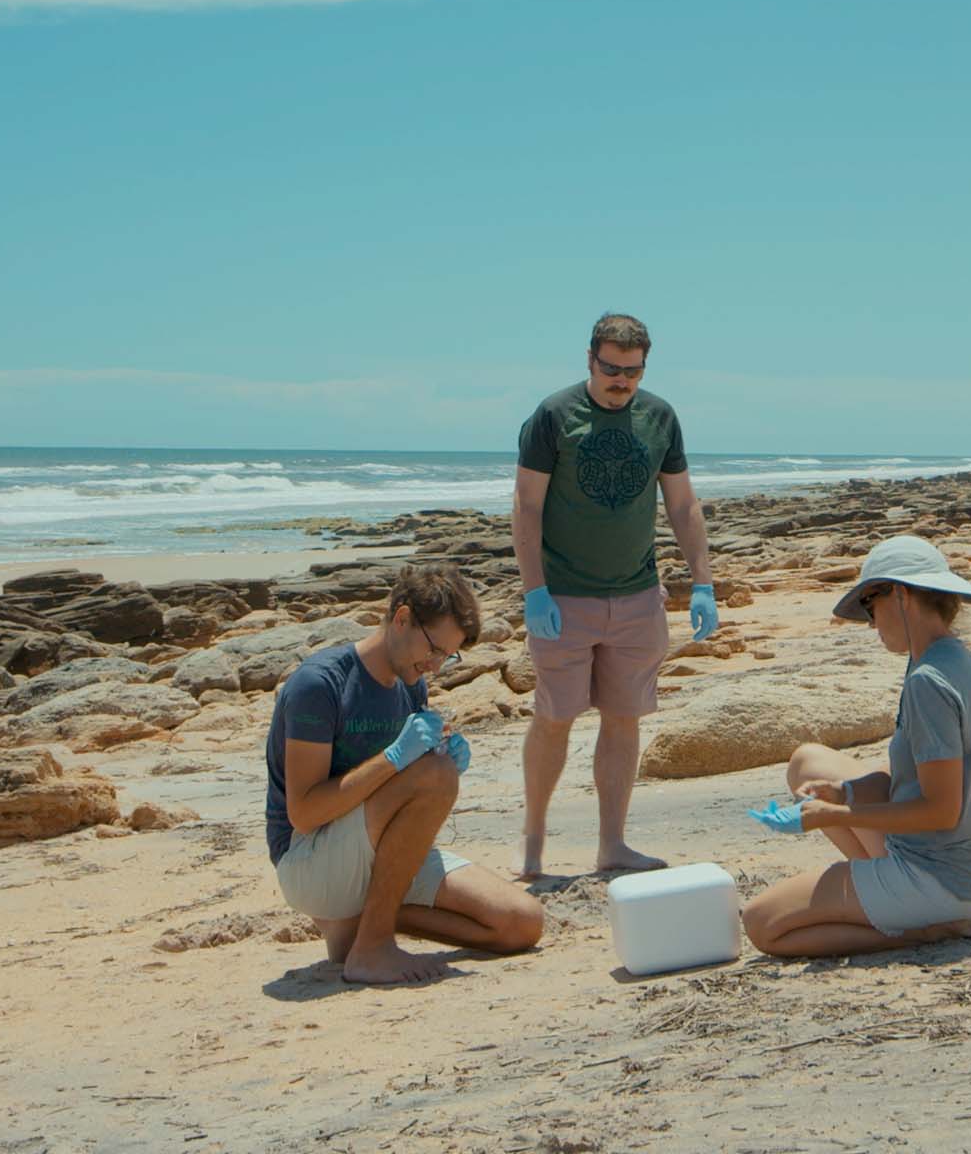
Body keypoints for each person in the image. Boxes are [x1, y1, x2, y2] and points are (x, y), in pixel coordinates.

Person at [263, 563, 544, 986]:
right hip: (309, 862)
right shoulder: (319, 685)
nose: (434, 665)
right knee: (436, 775)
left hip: (377, 854)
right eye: (433, 650)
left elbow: (405, 793)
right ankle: (372, 949)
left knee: (520, 923)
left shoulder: (410, 685)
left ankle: (359, 926)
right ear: (401, 618)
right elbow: (303, 814)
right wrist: (398, 759)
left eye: (447, 657)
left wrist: (435, 756)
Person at [513, 311, 717, 879]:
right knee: (555, 717)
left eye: (631, 371)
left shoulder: (660, 417)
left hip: (637, 598)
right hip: (564, 598)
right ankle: (533, 841)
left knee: (624, 718)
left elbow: (682, 503)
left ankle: (613, 845)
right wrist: (535, 592)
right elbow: (527, 505)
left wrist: (702, 581)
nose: (621, 381)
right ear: (589, 360)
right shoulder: (553, 417)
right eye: (611, 369)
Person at [741, 534, 971, 957]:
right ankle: (882, 900)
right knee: (808, 762)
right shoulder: (949, 657)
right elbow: (918, 783)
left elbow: (941, 809)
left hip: (939, 877)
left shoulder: (927, 683)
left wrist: (835, 814)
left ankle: (923, 930)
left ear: (900, 595)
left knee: (761, 924)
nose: (870, 622)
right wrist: (843, 792)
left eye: (869, 604)